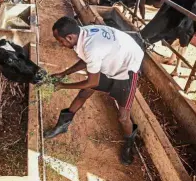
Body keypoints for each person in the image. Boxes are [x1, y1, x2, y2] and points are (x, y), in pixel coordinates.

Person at [45, 16, 144, 165]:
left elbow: (92, 81)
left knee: (123, 117)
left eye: (61, 41)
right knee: (84, 93)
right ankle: (62, 125)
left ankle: (129, 144)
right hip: (112, 60)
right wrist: (64, 73)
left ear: (70, 37)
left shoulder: (92, 47)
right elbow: (87, 59)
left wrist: (63, 86)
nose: (61, 44)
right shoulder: (83, 33)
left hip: (127, 69)